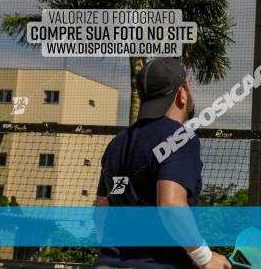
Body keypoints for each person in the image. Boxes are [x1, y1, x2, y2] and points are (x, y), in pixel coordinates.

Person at [92, 58, 230, 269]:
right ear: (182, 94)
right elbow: (170, 204)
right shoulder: (179, 138)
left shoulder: (117, 144)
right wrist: (205, 257)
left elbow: (103, 208)